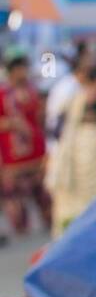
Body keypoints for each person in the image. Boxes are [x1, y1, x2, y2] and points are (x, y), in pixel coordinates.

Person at [46, 63, 96, 236]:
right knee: (87, 198)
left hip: (82, 148)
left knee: (87, 196)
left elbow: (56, 127)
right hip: (86, 148)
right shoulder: (88, 97)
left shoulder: (77, 97)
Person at [0, 51, 52, 234]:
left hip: (37, 155)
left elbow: (40, 119)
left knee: (45, 198)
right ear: (12, 71)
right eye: (20, 68)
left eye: (25, 67)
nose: (24, 72)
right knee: (16, 205)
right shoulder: (2, 93)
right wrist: (12, 123)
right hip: (13, 160)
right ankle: (22, 235)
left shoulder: (33, 90)